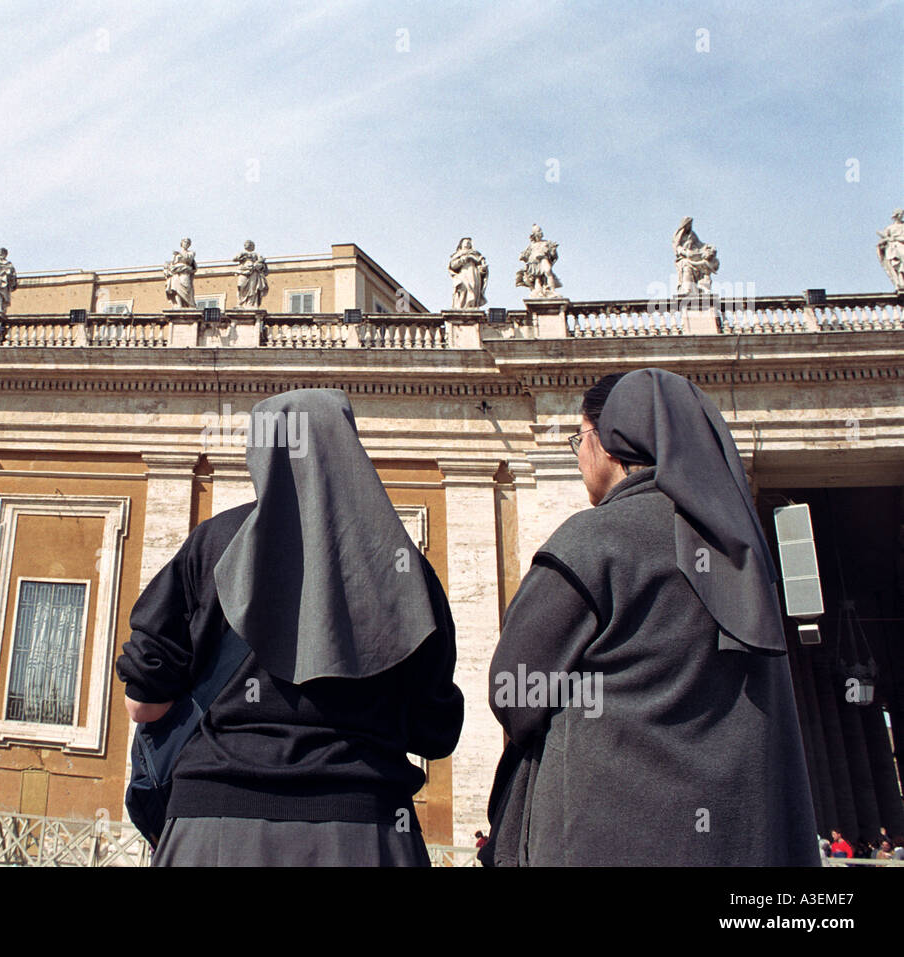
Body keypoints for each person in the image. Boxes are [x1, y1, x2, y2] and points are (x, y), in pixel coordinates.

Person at [482, 369, 820, 866]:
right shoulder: (746, 554)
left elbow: (513, 690)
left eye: (581, 438)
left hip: (601, 834)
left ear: (612, 442)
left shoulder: (592, 541)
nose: (579, 454)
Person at [117, 388, 464, 866]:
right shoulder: (406, 566)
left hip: (213, 830)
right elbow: (436, 733)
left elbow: (144, 704)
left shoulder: (213, 544)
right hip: (367, 832)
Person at [163, 238, 197, 308]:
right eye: (185, 242)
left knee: (186, 289)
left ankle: (189, 304)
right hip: (176, 273)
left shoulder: (191, 253)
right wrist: (167, 267)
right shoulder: (176, 254)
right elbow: (173, 263)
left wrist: (179, 253)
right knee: (176, 289)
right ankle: (179, 305)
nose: (186, 244)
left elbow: (189, 259)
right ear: (181, 243)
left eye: (188, 243)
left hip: (185, 272)